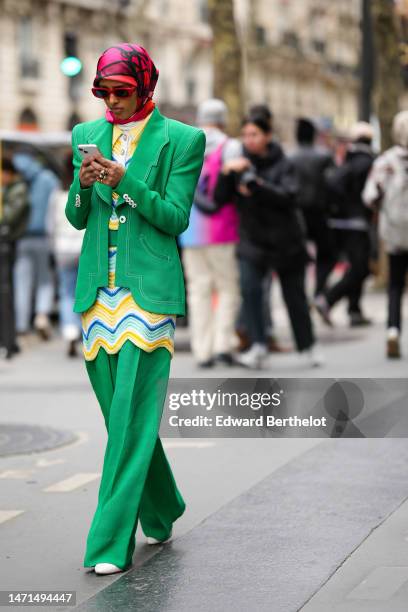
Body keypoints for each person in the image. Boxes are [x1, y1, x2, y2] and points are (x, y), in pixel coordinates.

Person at [65, 43, 205, 575]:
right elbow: (78, 219)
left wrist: (127, 181)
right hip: (97, 293)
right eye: (103, 92)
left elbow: (174, 217)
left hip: (149, 294)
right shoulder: (85, 137)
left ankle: (106, 544)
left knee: (129, 418)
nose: (112, 101)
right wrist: (81, 188)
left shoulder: (184, 139)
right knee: (121, 419)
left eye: (122, 92)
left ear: (146, 88)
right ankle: (164, 505)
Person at [214, 114, 322, 369]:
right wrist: (225, 172)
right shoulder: (238, 163)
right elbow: (220, 200)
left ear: (267, 136)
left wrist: (258, 186)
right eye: (246, 135)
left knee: (294, 296)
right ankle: (258, 345)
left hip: (286, 242)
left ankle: (308, 345)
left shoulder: (284, 163)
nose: (249, 140)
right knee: (250, 291)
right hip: (253, 241)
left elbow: (289, 196)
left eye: (255, 134)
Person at [178, 98, 241, 367]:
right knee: (227, 288)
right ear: (223, 119)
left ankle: (201, 350)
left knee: (198, 290)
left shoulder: (185, 145)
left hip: (191, 230)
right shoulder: (232, 146)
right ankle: (222, 344)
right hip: (222, 228)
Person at [315, 121, 375, 327]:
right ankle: (328, 299)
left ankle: (354, 310)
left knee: (355, 266)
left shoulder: (347, 161)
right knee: (360, 268)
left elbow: (332, 185)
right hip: (357, 222)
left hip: (340, 222)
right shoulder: (367, 162)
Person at [363, 110, 408, 358]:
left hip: (395, 233)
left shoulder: (386, 162)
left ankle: (393, 330)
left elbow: (369, 197)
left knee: (395, 284)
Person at [12, 151, 59, 339]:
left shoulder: (17, 180)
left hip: (21, 238)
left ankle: (22, 325)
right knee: (44, 280)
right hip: (43, 237)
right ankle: (41, 315)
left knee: (21, 282)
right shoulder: (48, 179)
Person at [289, 117, 336, 296]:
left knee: (298, 257)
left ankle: (301, 292)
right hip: (320, 212)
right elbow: (332, 184)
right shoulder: (324, 156)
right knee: (327, 255)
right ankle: (319, 290)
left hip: (297, 212)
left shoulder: (290, 157)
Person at [46, 152, 84, 357]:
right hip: (85, 248)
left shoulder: (57, 193)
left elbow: (50, 225)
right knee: (86, 291)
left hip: (63, 249)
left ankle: (69, 331)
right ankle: (85, 331)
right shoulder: (87, 188)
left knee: (67, 292)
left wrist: (52, 248)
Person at [0, 156, 30, 358]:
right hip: (7, 244)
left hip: (7, 245)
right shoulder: (10, 189)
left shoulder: (18, 190)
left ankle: (9, 341)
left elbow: (8, 216)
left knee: (6, 292)